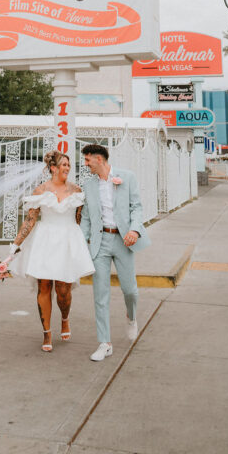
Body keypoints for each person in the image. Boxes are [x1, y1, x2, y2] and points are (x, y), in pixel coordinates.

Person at [1, 150, 94, 352]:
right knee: (44, 286)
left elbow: (79, 220)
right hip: (45, 240)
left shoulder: (77, 191)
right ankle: (47, 332)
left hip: (67, 240)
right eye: (63, 164)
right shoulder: (40, 191)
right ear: (53, 168)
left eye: (68, 165)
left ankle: (65, 318)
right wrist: (16, 245)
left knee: (63, 290)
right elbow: (30, 220)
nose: (67, 168)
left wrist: (83, 244)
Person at [80, 143, 150, 361]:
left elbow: (136, 207)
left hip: (123, 240)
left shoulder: (126, 177)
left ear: (99, 159)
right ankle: (105, 343)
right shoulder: (88, 185)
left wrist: (134, 230)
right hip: (99, 243)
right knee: (100, 294)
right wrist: (81, 244)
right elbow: (86, 218)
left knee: (130, 290)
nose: (86, 164)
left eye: (88, 160)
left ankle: (131, 316)